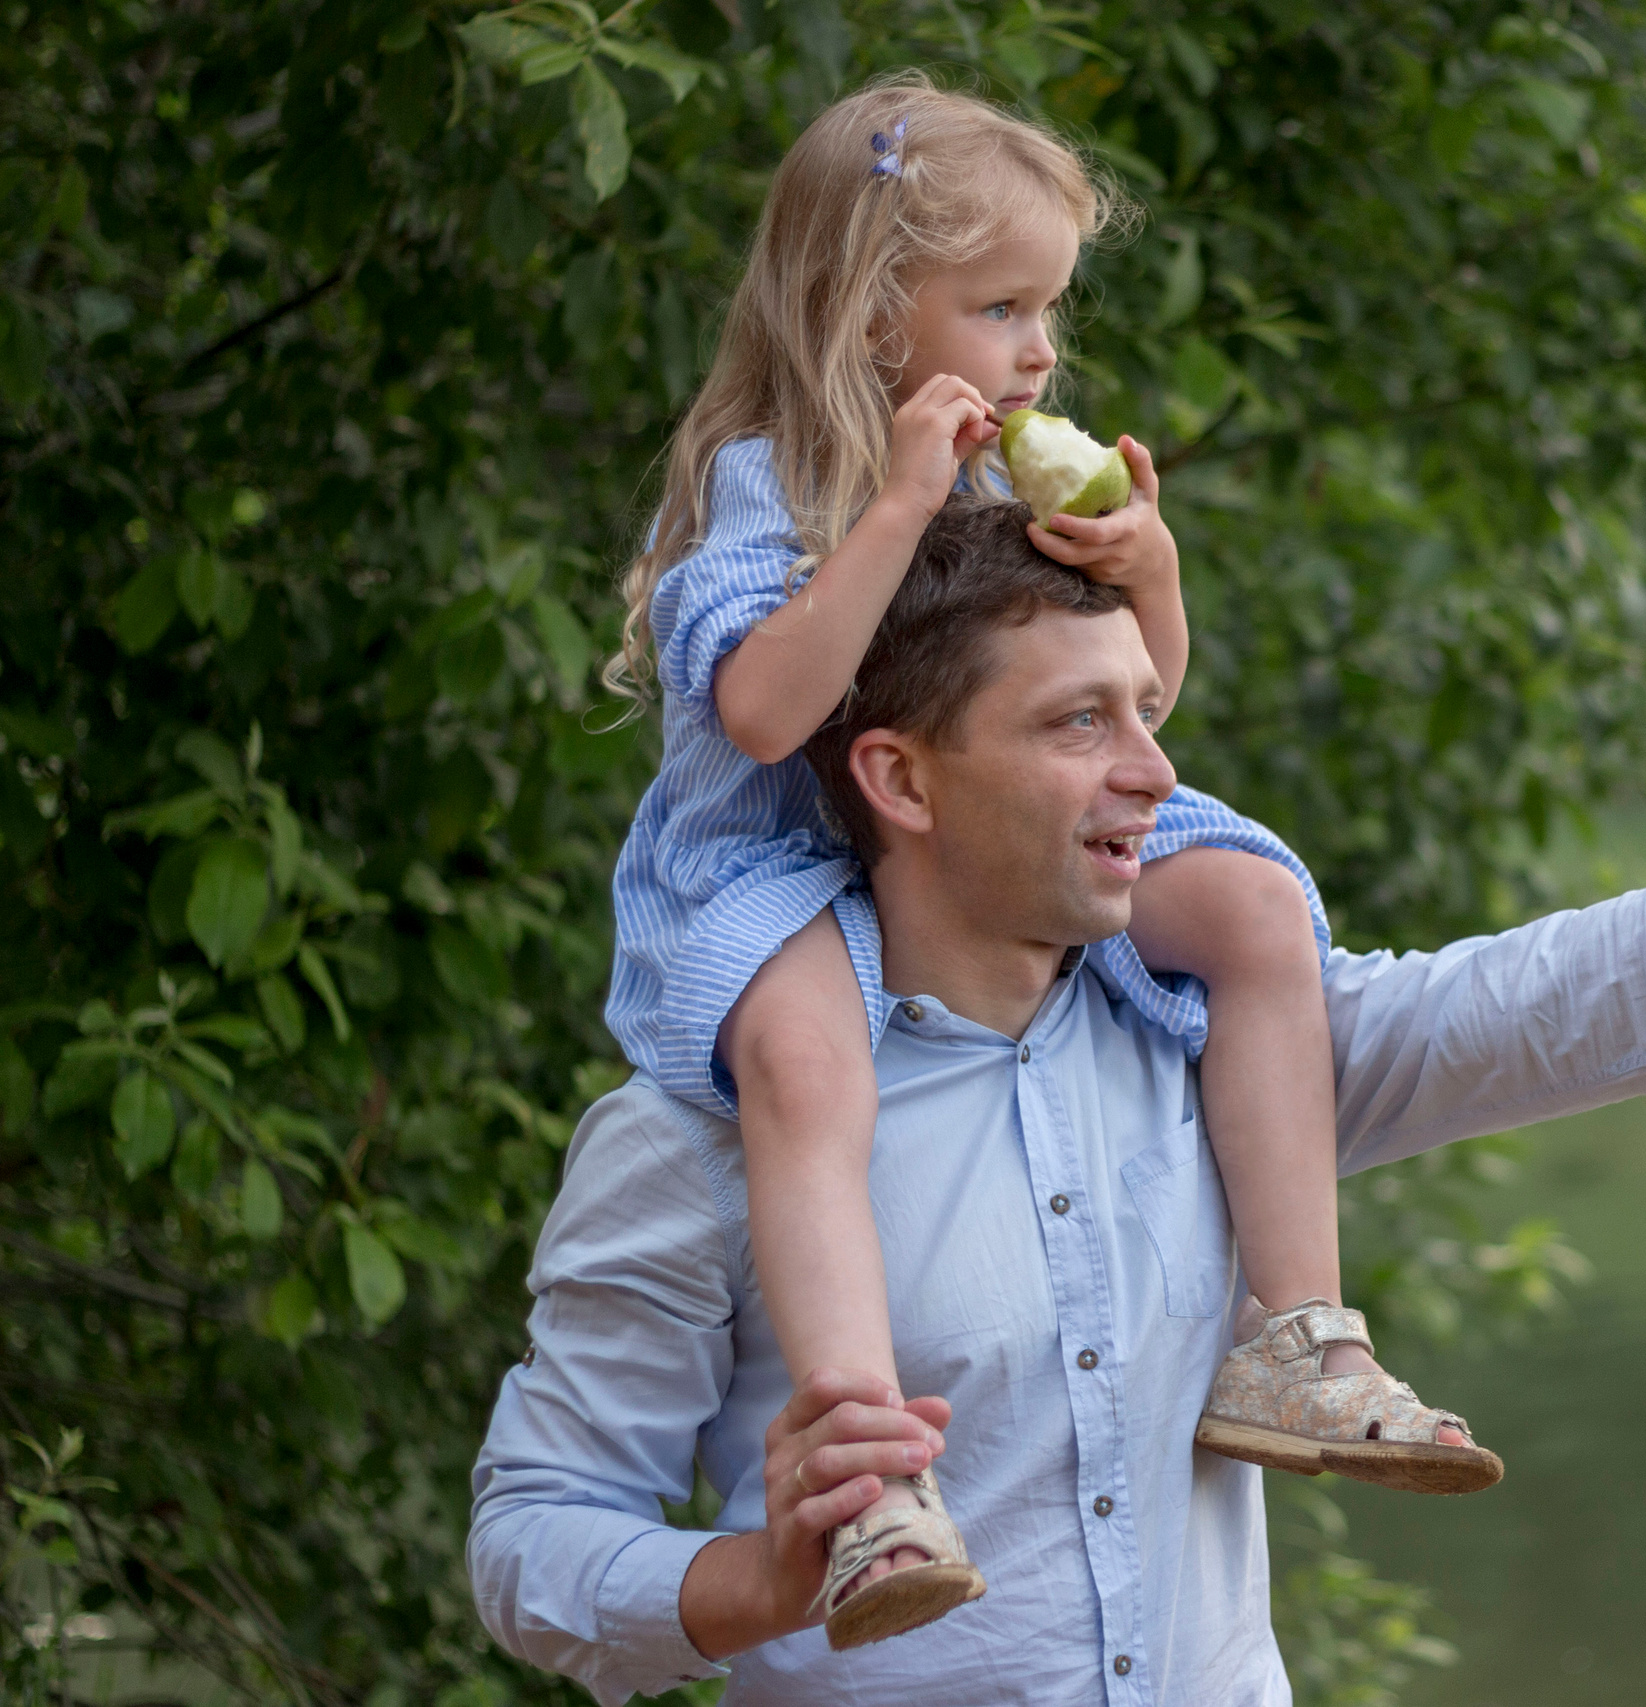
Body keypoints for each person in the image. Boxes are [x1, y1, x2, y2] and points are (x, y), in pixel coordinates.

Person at [470, 496, 1646, 1705]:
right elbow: (533, 1545)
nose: (1154, 772)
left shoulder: (1213, 1052)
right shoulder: (708, 1133)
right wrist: (753, 1582)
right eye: (1077, 726)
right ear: (896, 775)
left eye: (1145, 706)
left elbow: (1598, 989)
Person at [600, 79, 1482, 1647]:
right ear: (875, 315)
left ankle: (1294, 1339)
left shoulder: (1004, 465)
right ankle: (871, 1473)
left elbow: (1126, 707)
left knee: (1259, 908)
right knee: (808, 1068)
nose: (1037, 350)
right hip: (778, 861)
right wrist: (899, 509)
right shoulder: (773, 476)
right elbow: (761, 714)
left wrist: (1153, 573)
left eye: (1048, 310)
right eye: (1000, 306)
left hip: (972, 838)